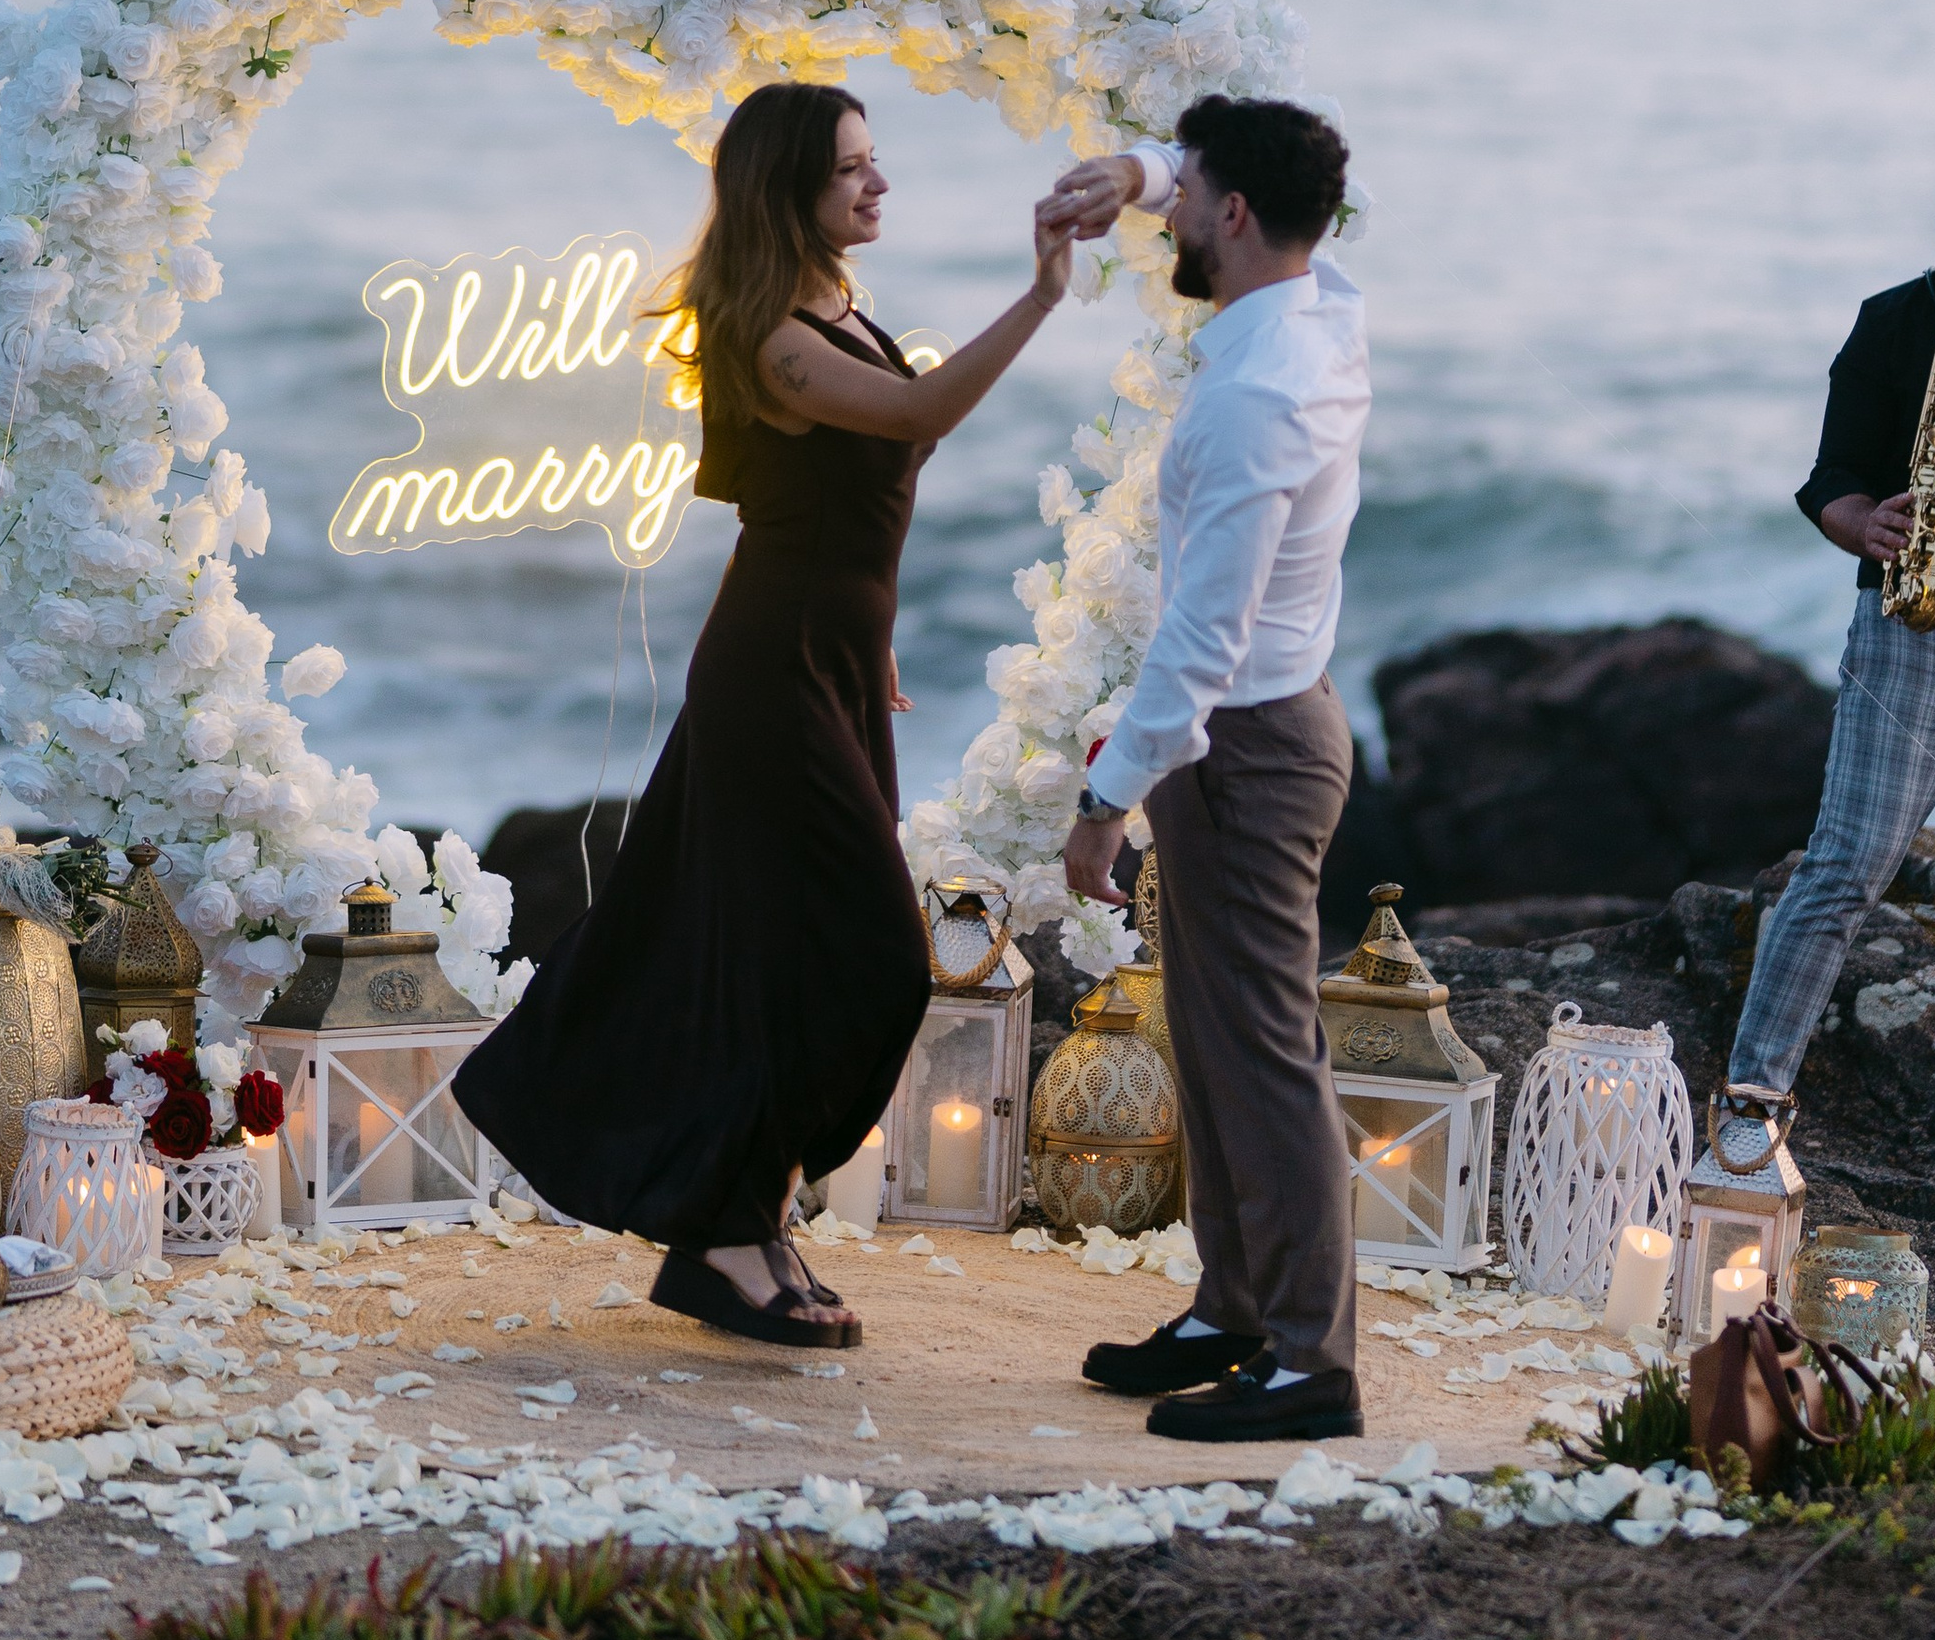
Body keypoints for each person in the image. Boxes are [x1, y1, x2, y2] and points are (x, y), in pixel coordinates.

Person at [453, 80, 1082, 1348]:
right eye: (850, 167)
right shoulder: (774, 337)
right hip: (774, 664)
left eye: (873, 160)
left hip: (833, 658)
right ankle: (725, 1225)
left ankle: (738, 1226)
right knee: (866, 954)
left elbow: (864, 483)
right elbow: (912, 419)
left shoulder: (837, 310)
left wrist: (875, 635)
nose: (878, 183)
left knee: (777, 958)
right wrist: (1041, 297)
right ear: (788, 187)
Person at [1051, 93, 1366, 1444]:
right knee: (1223, 1050)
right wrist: (1133, 168)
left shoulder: (1254, 394)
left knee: (1265, 1059)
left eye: (1182, 189)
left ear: (1234, 214)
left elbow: (1204, 637)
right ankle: (1235, 1312)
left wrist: (1102, 803)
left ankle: (1311, 1363)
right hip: (1250, 736)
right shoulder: (1317, 311)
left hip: (1245, 747)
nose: (1165, 207)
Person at [1727, 119, 1935, 1103]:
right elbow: (1828, 480)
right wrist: (1860, 525)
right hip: (1912, 634)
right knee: (1842, 869)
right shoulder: (1891, 321)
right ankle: (1750, 1109)